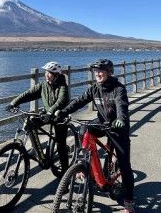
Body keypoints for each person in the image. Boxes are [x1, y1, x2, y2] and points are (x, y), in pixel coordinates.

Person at [54, 59, 136, 213]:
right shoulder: (94, 88)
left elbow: (122, 106)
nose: (98, 74)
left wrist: (121, 120)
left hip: (118, 127)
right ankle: (84, 164)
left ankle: (129, 201)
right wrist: (64, 111)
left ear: (109, 72)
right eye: (96, 71)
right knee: (84, 129)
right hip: (102, 122)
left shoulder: (118, 89)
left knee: (125, 165)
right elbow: (79, 101)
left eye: (101, 71)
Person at [6, 61, 70, 173]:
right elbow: (29, 93)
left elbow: (61, 101)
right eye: (46, 72)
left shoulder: (62, 86)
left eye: (50, 73)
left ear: (56, 75)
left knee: (61, 145)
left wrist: (50, 112)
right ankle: (39, 153)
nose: (46, 74)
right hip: (47, 114)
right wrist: (14, 103)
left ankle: (65, 174)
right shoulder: (43, 85)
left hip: (60, 116)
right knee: (30, 123)